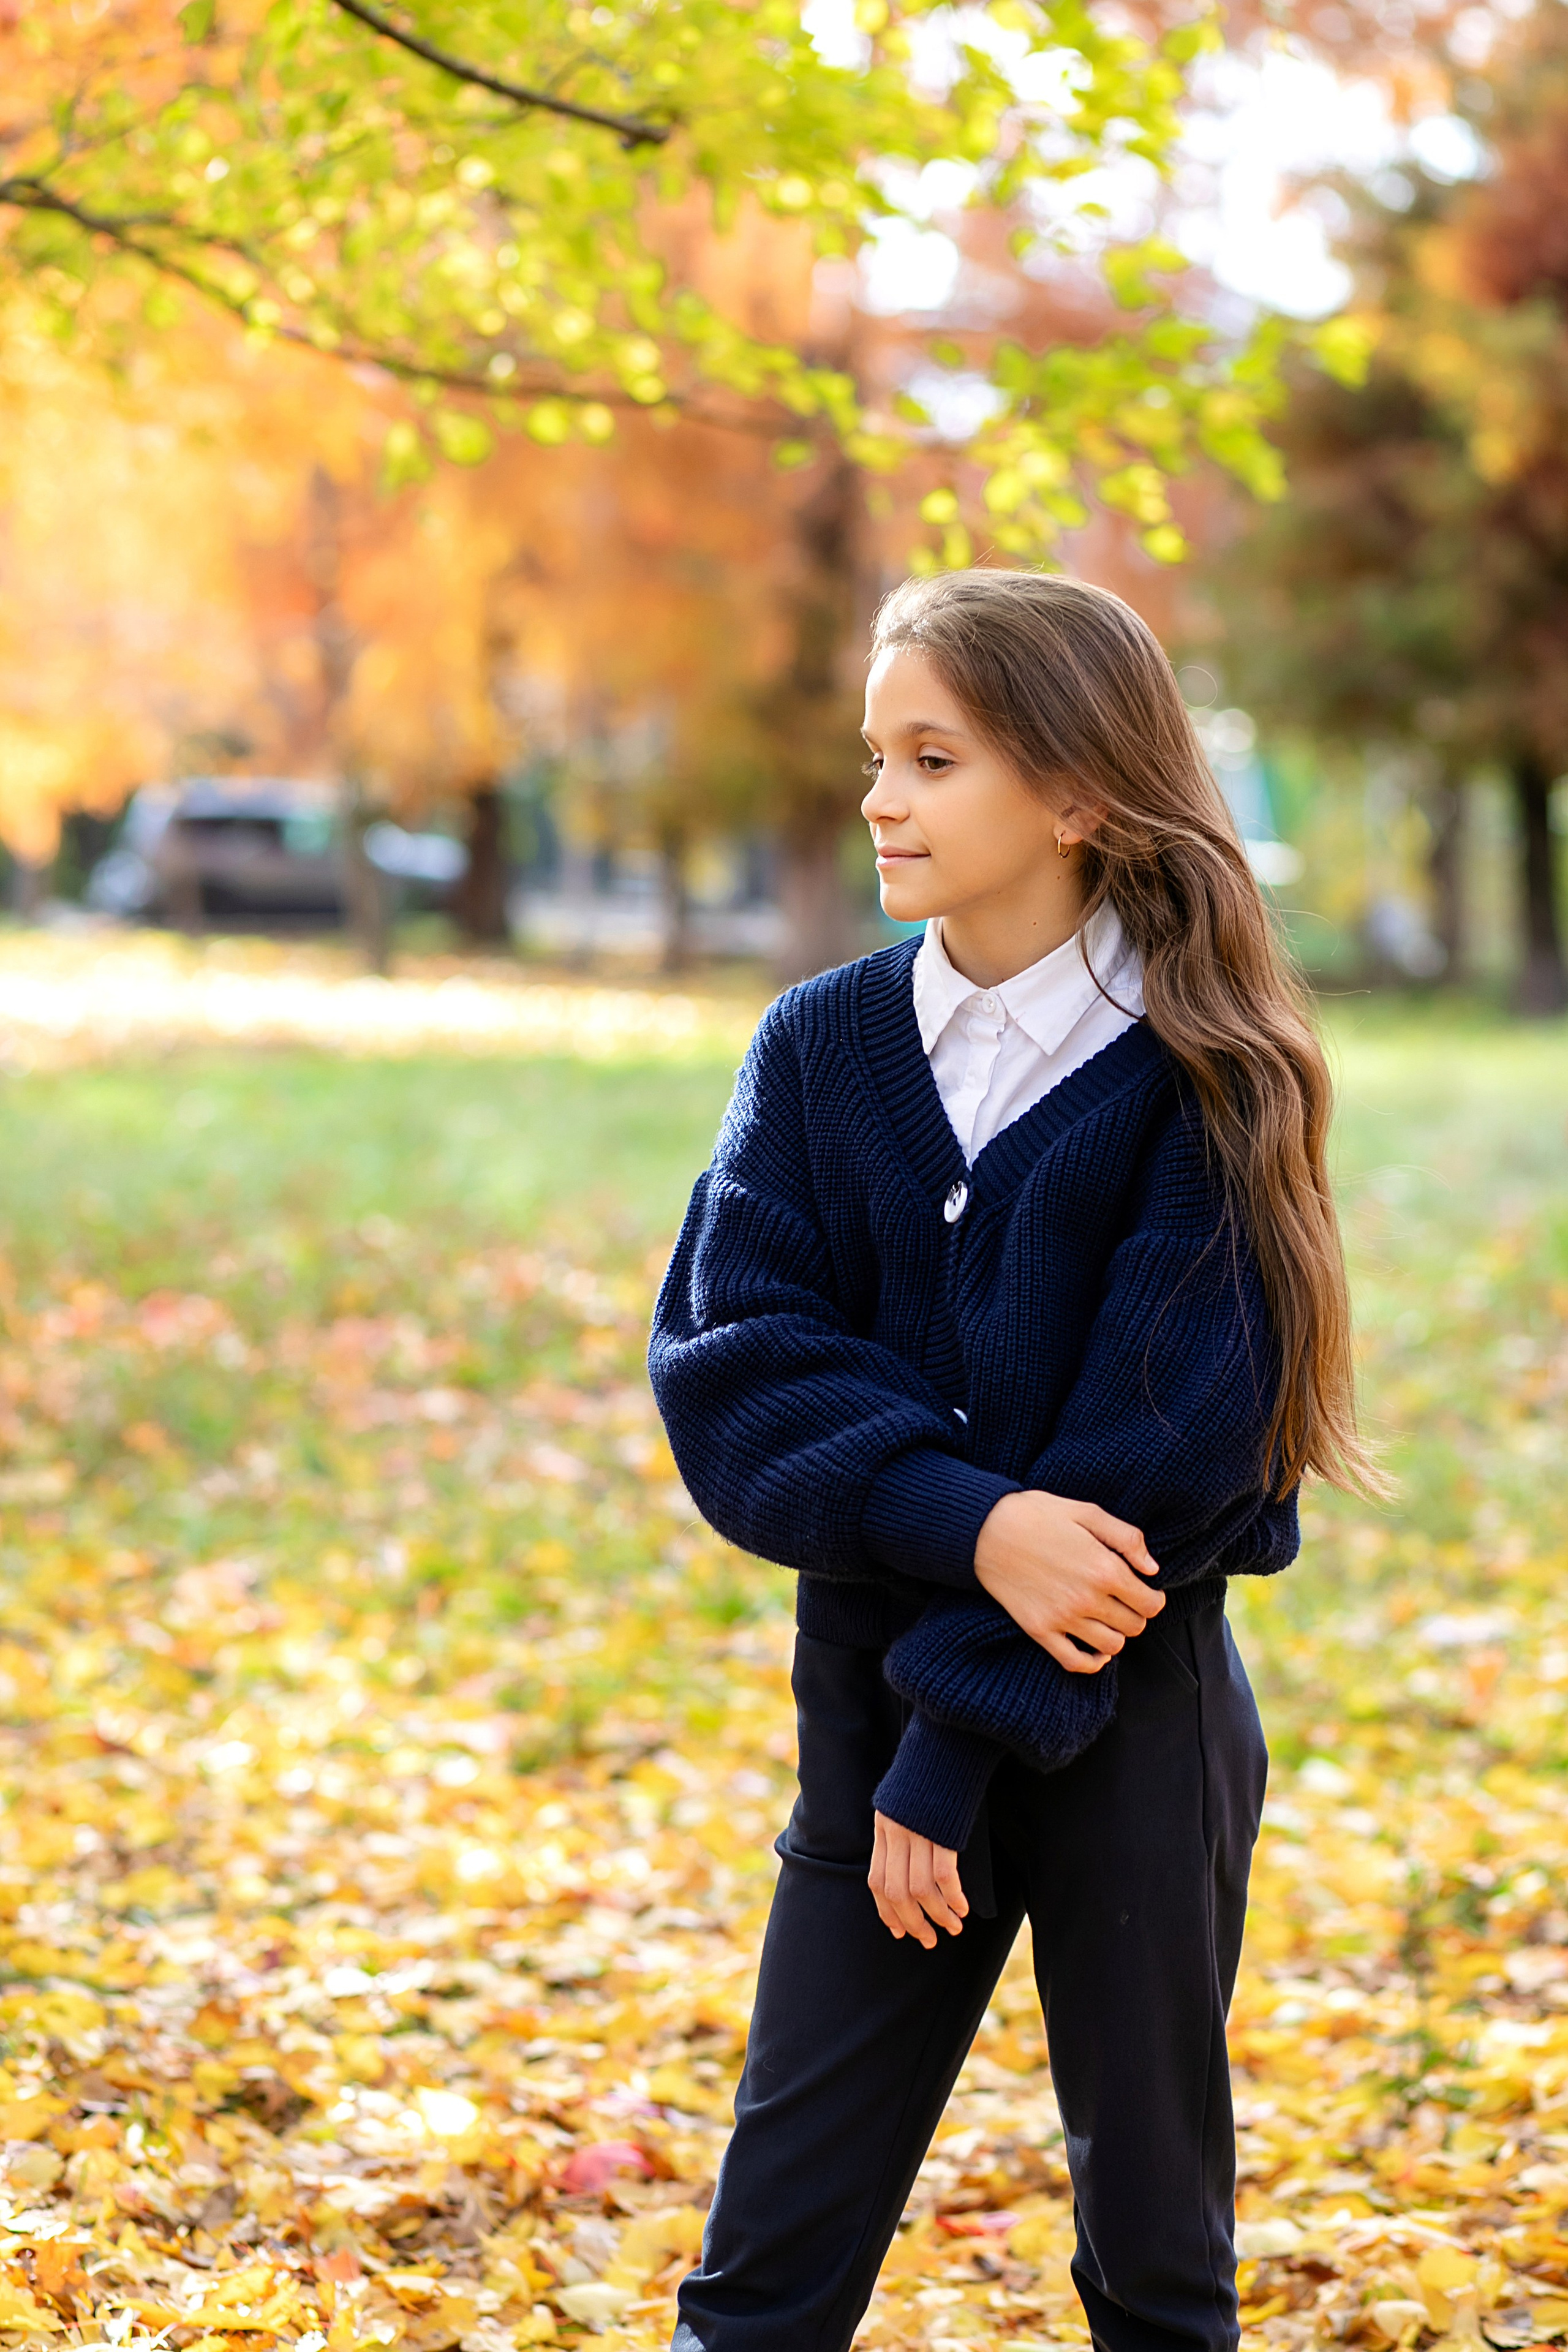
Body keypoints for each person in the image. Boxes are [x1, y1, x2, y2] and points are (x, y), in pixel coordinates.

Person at [647, 570, 1377, 2352]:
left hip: (1133, 1725)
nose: (882, 799)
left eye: (934, 759)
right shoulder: (817, 1052)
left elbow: (1170, 1450)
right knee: (763, 2282)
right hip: (868, 1712)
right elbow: (735, 1367)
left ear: (1075, 795)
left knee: (1156, 2275)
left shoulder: (1210, 1072)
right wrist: (967, 1529)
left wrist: (952, 1759)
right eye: (877, 757)